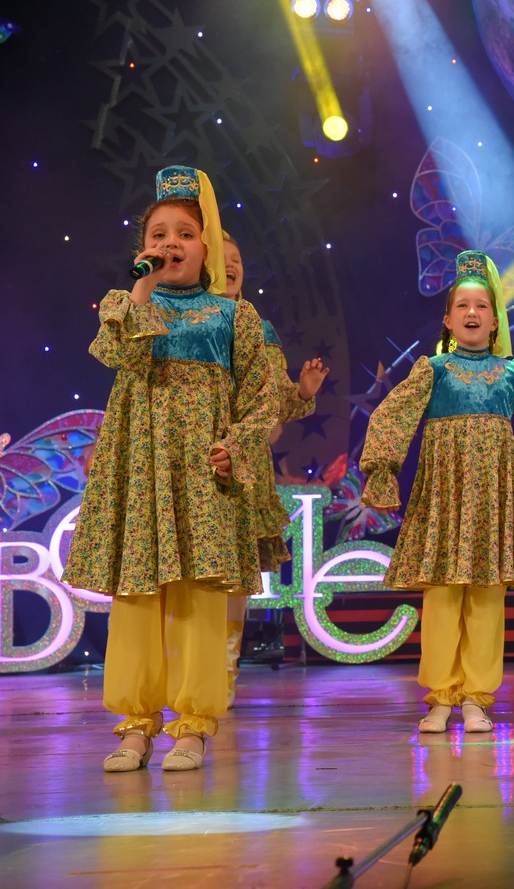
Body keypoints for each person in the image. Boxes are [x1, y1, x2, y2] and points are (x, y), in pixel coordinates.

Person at [65, 165, 276, 772]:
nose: (170, 244)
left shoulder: (232, 316)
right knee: (139, 593)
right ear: (142, 249)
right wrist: (141, 289)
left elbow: (262, 398)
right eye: (158, 235)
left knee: (199, 595)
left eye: (185, 234)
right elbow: (116, 353)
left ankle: (193, 724)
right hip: (142, 468)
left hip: (203, 473)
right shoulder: (126, 306)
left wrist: (235, 445)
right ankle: (135, 724)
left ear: (206, 247)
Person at [361, 250, 514, 734]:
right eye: (462, 306)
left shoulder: (511, 373)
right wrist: (381, 467)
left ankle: (476, 697)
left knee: (487, 598)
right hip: (444, 497)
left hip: (492, 501)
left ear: (495, 321)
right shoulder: (434, 370)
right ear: (448, 319)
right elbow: (392, 416)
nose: (472, 312)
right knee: (443, 595)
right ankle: (440, 696)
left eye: (481, 306)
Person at [216, 232, 328, 706]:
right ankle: (183, 672)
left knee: (234, 575)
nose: (231, 266)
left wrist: (302, 391)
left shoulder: (259, 329)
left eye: (238, 259)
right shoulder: (180, 320)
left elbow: (276, 401)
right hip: (194, 460)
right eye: (221, 259)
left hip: (244, 469)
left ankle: (221, 675)